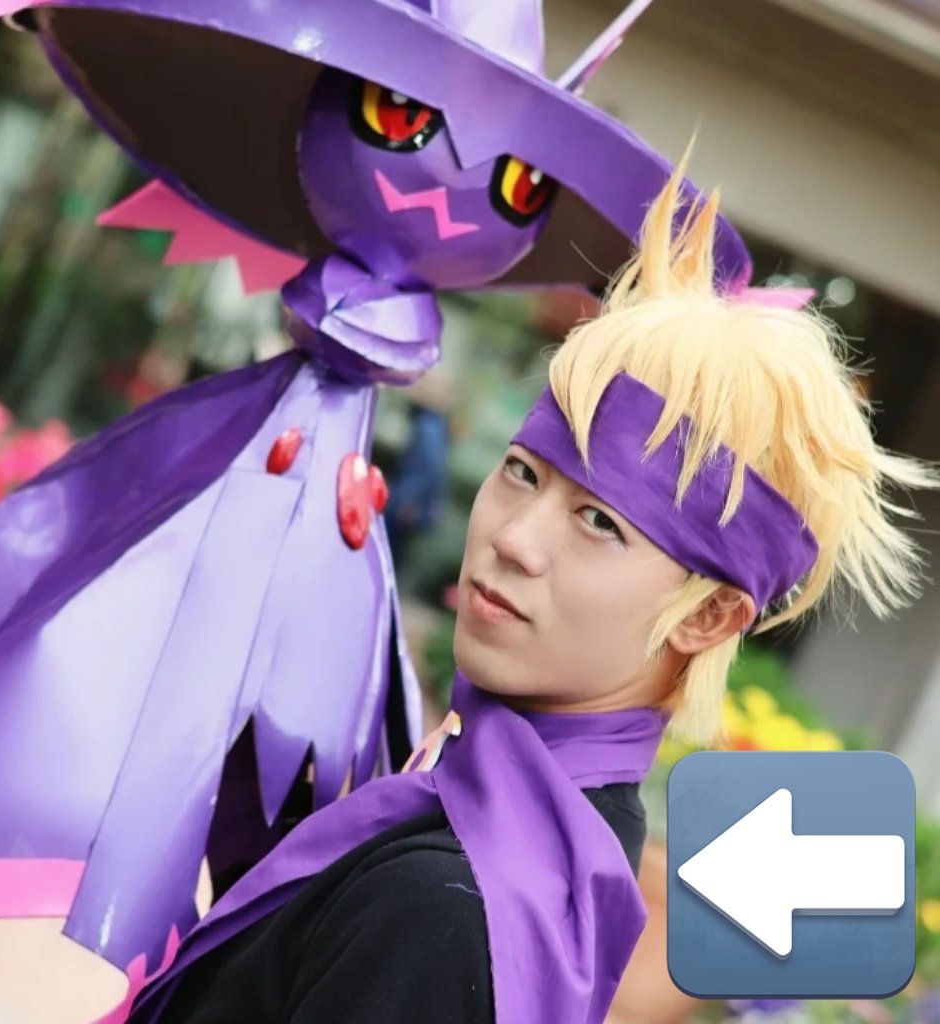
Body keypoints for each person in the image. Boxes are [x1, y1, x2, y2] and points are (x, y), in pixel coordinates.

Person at [126, 164, 936, 1024]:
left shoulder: (446, 909)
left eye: (599, 521)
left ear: (708, 616)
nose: (513, 538)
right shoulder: (536, 861)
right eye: (521, 472)